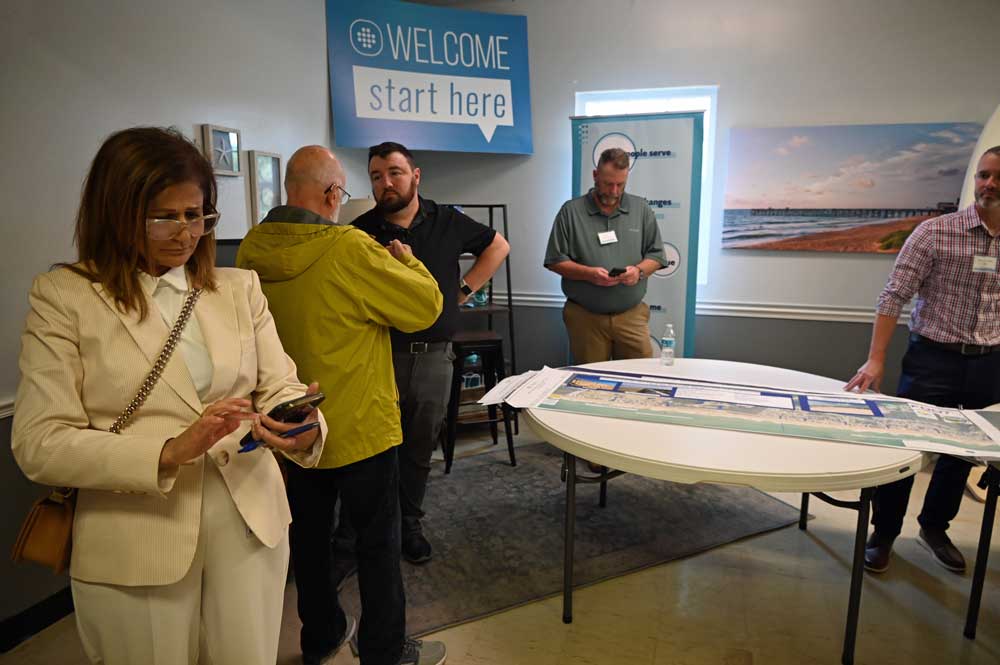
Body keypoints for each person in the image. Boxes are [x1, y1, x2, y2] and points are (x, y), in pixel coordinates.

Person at [12, 126, 326, 665]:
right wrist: (170, 451)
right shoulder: (65, 297)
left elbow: (281, 384)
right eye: (166, 216)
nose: (187, 233)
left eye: (198, 214)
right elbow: (39, 442)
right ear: (117, 211)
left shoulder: (237, 288)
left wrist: (298, 422)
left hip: (250, 519)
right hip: (134, 534)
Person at [236, 145, 447, 665]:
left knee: (308, 542)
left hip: (290, 429)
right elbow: (425, 307)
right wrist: (411, 263)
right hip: (358, 428)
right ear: (332, 194)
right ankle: (384, 651)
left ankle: (321, 635)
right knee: (377, 546)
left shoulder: (249, 251)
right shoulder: (349, 248)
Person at [347, 141, 510, 565]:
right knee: (377, 449)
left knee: (420, 446)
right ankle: (375, 528)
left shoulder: (447, 220)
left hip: (434, 355)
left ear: (415, 176)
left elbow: (498, 246)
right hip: (379, 354)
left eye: (395, 173)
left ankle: (409, 525)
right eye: (377, 176)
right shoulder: (361, 231)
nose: (386, 183)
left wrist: (461, 293)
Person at [846, 146, 1000, 574]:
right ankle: (884, 533)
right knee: (908, 448)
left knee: (962, 455)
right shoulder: (935, 232)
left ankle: (935, 527)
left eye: (998, 177)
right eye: (984, 175)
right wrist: (875, 360)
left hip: (989, 364)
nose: (989, 184)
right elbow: (893, 295)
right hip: (934, 358)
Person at [544, 147, 668, 364]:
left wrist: (638, 272)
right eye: (608, 183)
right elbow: (555, 260)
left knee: (638, 383)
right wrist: (588, 274)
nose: (614, 191)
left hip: (631, 316)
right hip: (585, 318)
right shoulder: (571, 212)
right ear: (595, 175)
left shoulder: (641, 209)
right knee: (590, 386)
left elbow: (656, 255)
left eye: (621, 184)